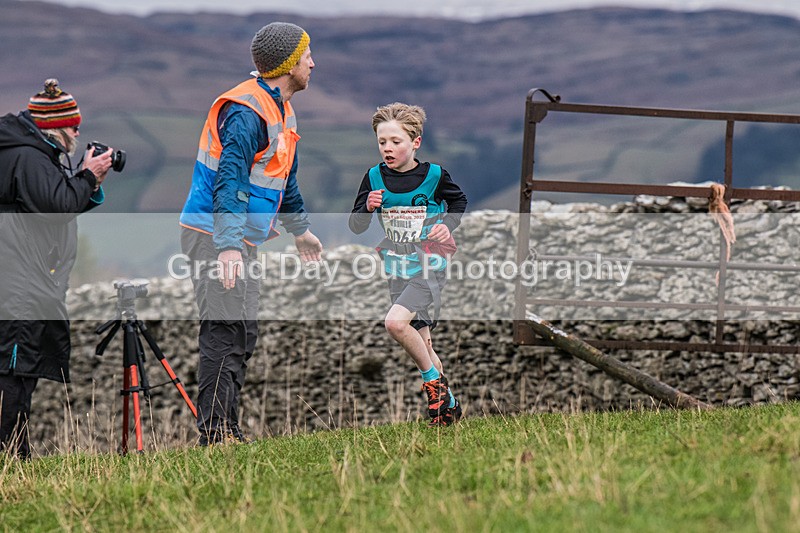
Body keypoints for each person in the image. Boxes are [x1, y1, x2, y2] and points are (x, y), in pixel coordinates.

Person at [179, 22, 323, 446]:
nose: (313, 63)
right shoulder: (247, 112)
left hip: (239, 238)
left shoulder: (280, 107)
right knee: (224, 330)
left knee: (244, 332)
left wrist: (300, 231)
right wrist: (226, 248)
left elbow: (284, 178)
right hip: (215, 235)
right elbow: (231, 180)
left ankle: (228, 429)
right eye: (306, 57)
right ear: (287, 65)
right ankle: (216, 435)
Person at [0, 79, 113, 458]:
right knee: (14, 370)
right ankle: (12, 456)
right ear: (54, 126)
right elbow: (58, 207)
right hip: (16, 284)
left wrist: (83, 180)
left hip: (22, 278)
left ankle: (16, 452)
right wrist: (88, 175)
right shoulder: (28, 158)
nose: (78, 132)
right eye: (74, 126)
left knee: (19, 369)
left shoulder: (29, 153)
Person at [349, 103, 468, 427]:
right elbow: (356, 226)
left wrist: (448, 224)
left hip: (430, 262)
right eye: (382, 141)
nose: (388, 148)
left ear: (415, 142)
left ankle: (433, 386)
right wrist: (367, 208)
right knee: (423, 341)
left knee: (395, 324)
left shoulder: (434, 175)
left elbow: (458, 202)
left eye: (396, 142)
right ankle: (449, 408)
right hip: (396, 265)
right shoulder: (373, 177)